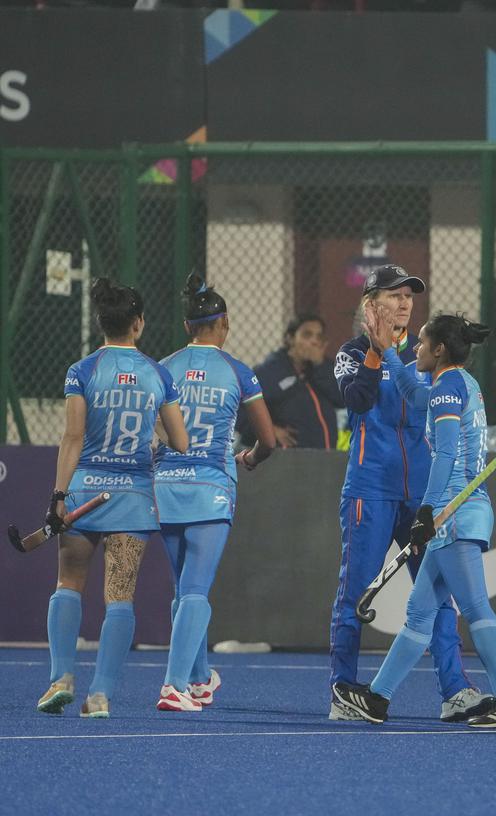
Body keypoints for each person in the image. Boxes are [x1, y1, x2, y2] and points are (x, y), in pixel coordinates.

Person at [332, 313, 496, 729]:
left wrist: (425, 511)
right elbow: (409, 391)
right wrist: (385, 350)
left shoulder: (446, 389)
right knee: (420, 614)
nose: (415, 348)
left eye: (420, 343)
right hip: (452, 515)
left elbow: (444, 455)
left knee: (476, 607)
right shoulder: (453, 384)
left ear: (438, 350)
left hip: (454, 513)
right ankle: (378, 699)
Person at [327, 265, 489, 723]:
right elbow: (357, 400)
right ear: (370, 305)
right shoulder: (351, 353)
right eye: (394, 296)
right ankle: (343, 689)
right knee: (356, 592)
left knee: (439, 594)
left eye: (409, 297)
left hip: (421, 500)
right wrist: (377, 353)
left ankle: (455, 691)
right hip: (369, 491)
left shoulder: (425, 361)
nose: (404, 304)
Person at [37, 278, 189, 718]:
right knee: (119, 597)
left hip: (85, 493)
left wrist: (58, 497)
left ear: (101, 322)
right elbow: (179, 441)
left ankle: (60, 680)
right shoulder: (158, 374)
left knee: (68, 584)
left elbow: (72, 438)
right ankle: (99, 696)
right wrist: (153, 438)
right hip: (133, 499)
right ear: (138, 324)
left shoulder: (82, 371)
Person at [154, 275, 276, 712]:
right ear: (223, 323)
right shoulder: (238, 372)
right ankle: (173, 686)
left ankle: (199, 679)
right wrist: (250, 459)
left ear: (189, 326)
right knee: (196, 592)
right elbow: (269, 440)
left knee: (183, 590)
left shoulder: (163, 367)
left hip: (165, 487)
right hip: (211, 488)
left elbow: (153, 431)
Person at [250, 314, 342, 450]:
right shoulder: (271, 370)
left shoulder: (324, 368)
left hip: (325, 457)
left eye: (319, 336)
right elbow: (241, 409)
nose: (314, 342)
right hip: (287, 460)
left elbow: (341, 399)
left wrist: (319, 365)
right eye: (307, 335)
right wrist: (270, 430)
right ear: (290, 339)